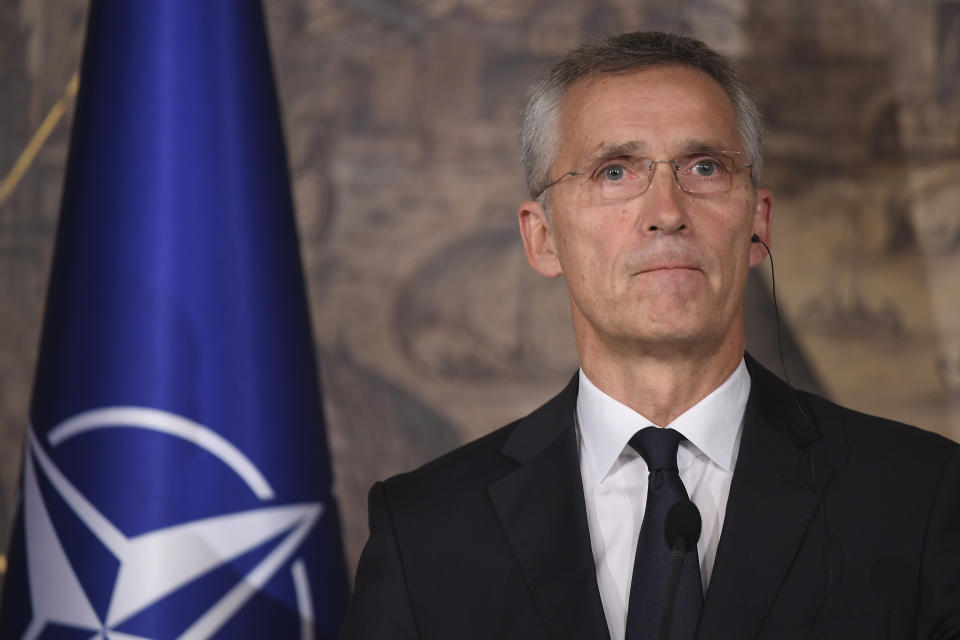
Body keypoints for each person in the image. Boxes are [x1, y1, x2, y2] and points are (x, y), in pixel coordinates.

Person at [339, 31, 960, 640]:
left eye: (705, 166)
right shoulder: (426, 530)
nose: (667, 211)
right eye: (615, 172)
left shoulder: (921, 495)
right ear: (543, 238)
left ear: (757, 225)